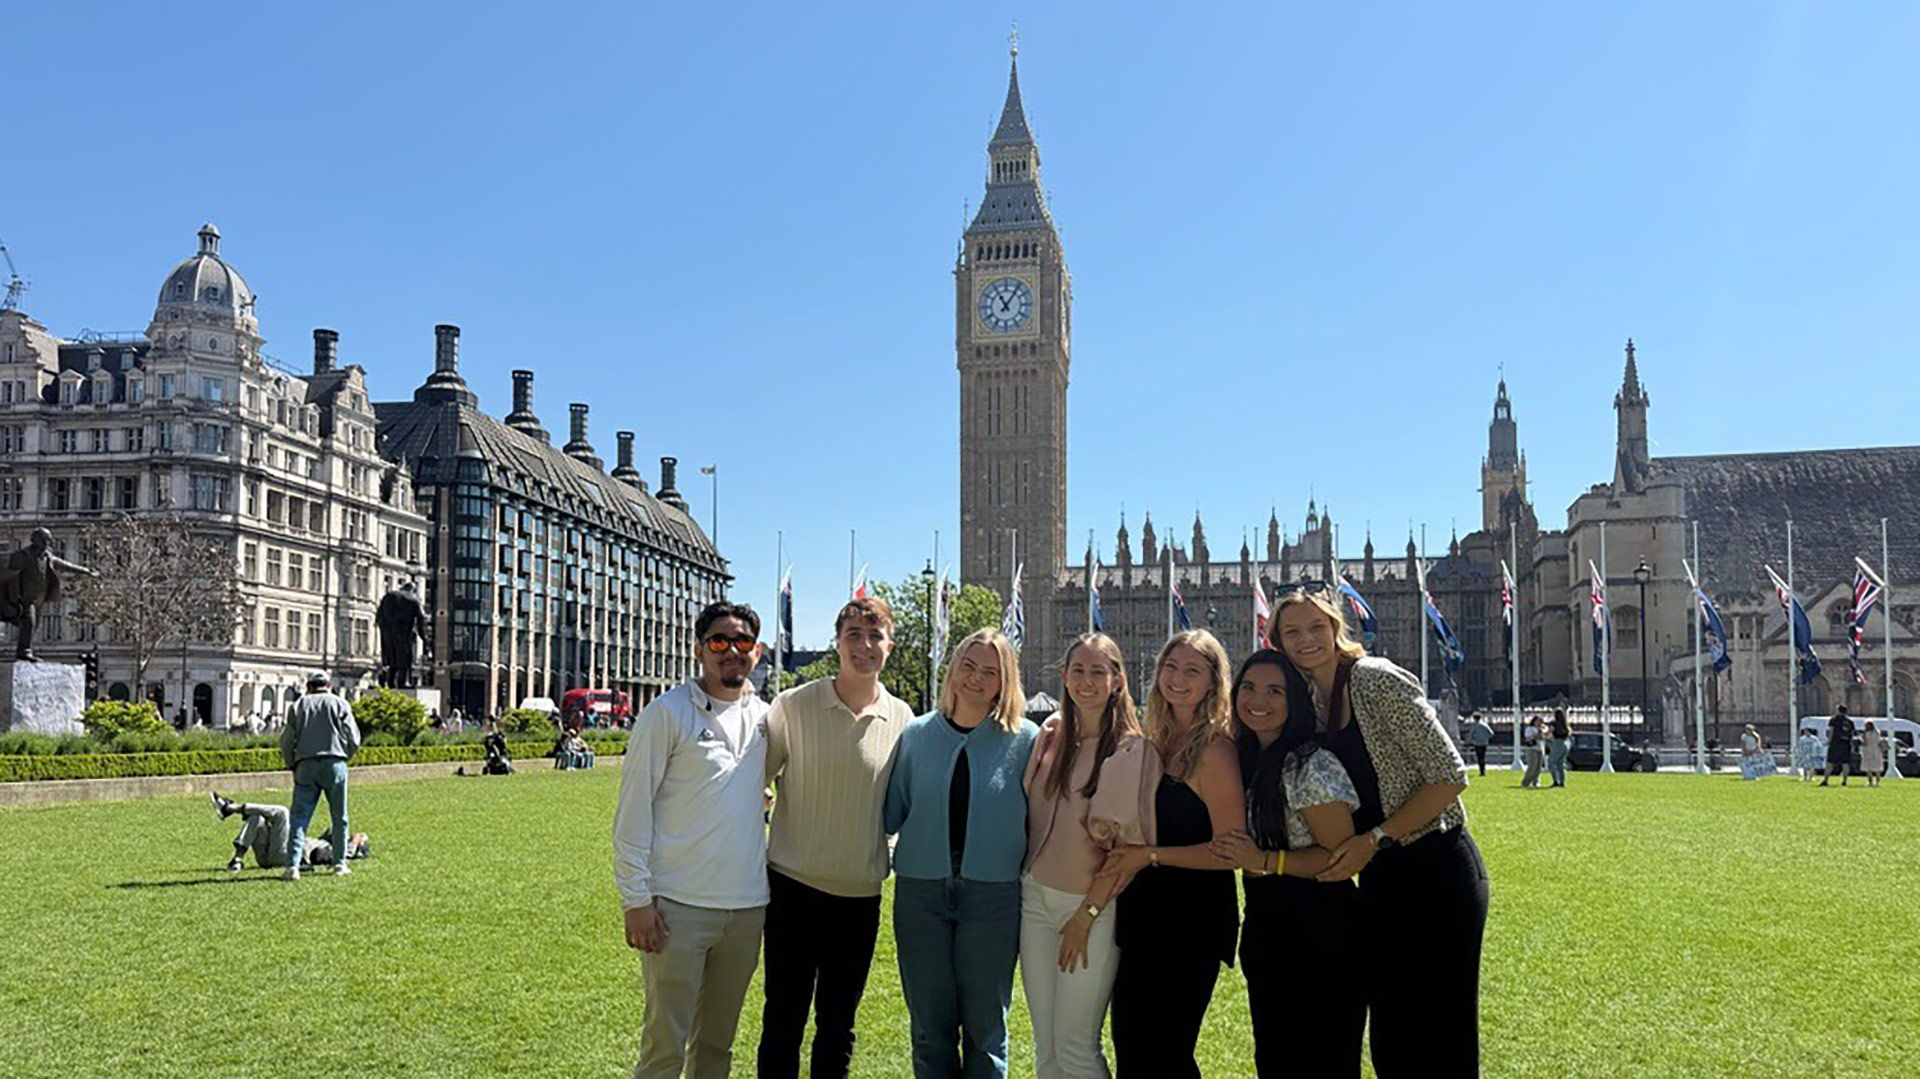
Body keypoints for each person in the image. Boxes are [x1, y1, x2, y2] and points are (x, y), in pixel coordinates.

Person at [1265, 585, 1485, 1077]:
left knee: (1440, 1032)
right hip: (1382, 878)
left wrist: (1376, 838)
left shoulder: (1374, 680)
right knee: (1393, 1034)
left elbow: (1449, 776)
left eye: (1316, 627)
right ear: (1278, 641)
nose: (1306, 640)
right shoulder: (1312, 704)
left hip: (1436, 868)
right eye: (1292, 632)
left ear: (1336, 627)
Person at [758, 596, 916, 1079]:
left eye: (875, 637)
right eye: (854, 636)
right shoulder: (792, 706)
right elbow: (754, 783)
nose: (864, 646)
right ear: (837, 642)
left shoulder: (903, 719)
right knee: (783, 1019)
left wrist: (886, 851)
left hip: (858, 898)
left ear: (889, 647)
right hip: (791, 889)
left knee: (837, 1026)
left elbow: (904, 804)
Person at [614, 601, 770, 1079]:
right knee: (664, 1050)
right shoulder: (666, 713)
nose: (731, 651)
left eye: (742, 642)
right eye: (719, 641)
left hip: (747, 910)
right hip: (677, 908)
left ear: (757, 651)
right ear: (699, 650)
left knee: (717, 1048)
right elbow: (633, 810)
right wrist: (635, 900)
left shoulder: (768, 719)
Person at [884, 628, 1039, 1079]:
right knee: (929, 1029)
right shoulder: (916, 736)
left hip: (993, 898)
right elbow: (892, 811)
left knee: (986, 1030)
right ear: (952, 670)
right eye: (968, 666)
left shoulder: (1027, 741)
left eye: (990, 672)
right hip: (921, 894)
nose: (976, 678)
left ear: (1004, 681)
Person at [1210, 649, 1365, 1077]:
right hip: (1268, 929)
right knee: (1276, 1058)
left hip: (1323, 933)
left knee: (1323, 1060)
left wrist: (1265, 860)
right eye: (1248, 688)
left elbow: (1341, 858)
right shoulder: (1246, 760)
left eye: (1275, 691)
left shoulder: (1309, 765)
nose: (1258, 700)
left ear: (1294, 700)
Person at [1100, 629, 1243, 1079]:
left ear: (1213, 682)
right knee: (1132, 1047)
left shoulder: (1215, 750)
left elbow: (1231, 851)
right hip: (1144, 916)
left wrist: (1150, 856)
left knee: (1167, 1055)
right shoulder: (1155, 741)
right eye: (1171, 667)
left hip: (1191, 922)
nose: (1178, 679)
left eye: (1192, 671)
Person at [1019, 633, 1157, 1079]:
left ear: (1118, 680)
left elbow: (1127, 851)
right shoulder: (1051, 735)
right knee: (1047, 1049)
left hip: (1089, 909)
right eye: (1078, 670)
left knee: (1075, 1048)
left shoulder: (1130, 750)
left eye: (1098, 671)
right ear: (1063, 676)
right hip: (1035, 902)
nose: (1086, 681)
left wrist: (1087, 914)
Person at [278, 672, 360, 881]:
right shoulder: (340, 704)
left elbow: (286, 740)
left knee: (299, 818)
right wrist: (345, 757)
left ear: (309, 686)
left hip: (305, 765)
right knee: (339, 817)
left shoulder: (298, 706)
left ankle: (293, 865)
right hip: (334, 762)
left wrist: (291, 763)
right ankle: (340, 863)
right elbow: (354, 738)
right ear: (329, 685)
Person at [210, 791, 369, 870]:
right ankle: (237, 860)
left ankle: (230, 808)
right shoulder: (323, 841)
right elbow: (332, 831)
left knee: (282, 812)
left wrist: (358, 839)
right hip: (268, 857)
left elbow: (346, 852)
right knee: (257, 818)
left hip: (287, 855)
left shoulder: (340, 851)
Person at [1822, 706, 1856, 786]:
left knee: (1830, 762)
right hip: (1846, 745)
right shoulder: (1850, 721)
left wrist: (1829, 741)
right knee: (1845, 763)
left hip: (1835, 744)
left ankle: (1825, 780)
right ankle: (1844, 781)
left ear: (1838, 710)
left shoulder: (1834, 719)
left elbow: (1831, 731)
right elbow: (1852, 734)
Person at [1546, 709, 1571, 787]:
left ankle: (1555, 780)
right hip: (1566, 743)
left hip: (1557, 743)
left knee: (1552, 762)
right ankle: (1562, 781)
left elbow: (1549, 733)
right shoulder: (1565, 724)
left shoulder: (1554, 724)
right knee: (1560, 763)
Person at [1520, 714, 1544, 789]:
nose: (1539, 723)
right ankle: (1526, 782)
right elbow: (1528, 738)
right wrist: (1537, 734)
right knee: (1532, 766)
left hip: (1540, 748)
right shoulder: (1530, 729)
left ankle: (1536, 781)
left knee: (1538, 767)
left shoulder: (1542, 728)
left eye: (1540, 721)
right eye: (1537, 721)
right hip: (1532, 748)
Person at [1862, 721, 1885, 788]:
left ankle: (1870, 782)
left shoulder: (1866, 733)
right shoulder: (1877, 732)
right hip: (1877, 750)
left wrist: (1862, 739)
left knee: (1868, 768)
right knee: (1877, 768)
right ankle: (1877, 783)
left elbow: (1865, 743)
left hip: (1868, 750)